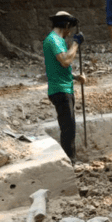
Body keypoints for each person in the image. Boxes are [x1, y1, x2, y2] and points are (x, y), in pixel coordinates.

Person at [42, 11, 86, 164]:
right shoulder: (53, 40)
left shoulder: (58, 40)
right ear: (65, 25)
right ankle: (70, 162)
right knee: (68, 129)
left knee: (70, 126)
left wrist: (74, 77)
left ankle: (70, 159)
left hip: (65, 87)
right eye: (70, 29)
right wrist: (75, 44)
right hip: (60, 90)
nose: (70, 33)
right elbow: (65, 61)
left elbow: (57, 67)